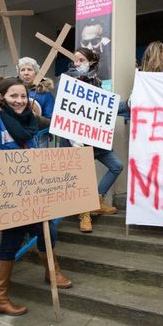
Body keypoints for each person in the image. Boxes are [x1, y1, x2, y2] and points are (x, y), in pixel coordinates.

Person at [0, 77, 72, 316]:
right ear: (1, 97)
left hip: (26, 187)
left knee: (45, 226)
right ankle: (0, 295)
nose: (19, 101)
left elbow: (48, 127)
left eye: (23, 96)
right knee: (16, 235)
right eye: (13, 96)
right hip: (3, 190)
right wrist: (21, 161)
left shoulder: (26, 119)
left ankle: (47, 274)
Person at [64, 48, 122, 233]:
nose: (77, 64)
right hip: (77, 139)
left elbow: (107, 106)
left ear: (91, 61)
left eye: (81, 60)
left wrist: (128, 104)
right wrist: (71, 136)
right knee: (83, 178)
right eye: (75, 61)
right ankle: (84, 214)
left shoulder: (98, 82)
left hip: (96, 138)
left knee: (116, 165)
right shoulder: (67, 80)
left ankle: (97, 201)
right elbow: (63, 107)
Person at [16, 57, 55, 129]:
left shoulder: (46, 95)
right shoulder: (12, 92)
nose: (26, 73)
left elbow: (51, 122)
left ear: (36, 73)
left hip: (38, 137)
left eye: (30, 69)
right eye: (22, 70)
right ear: (19, 74)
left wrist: (36, 118)